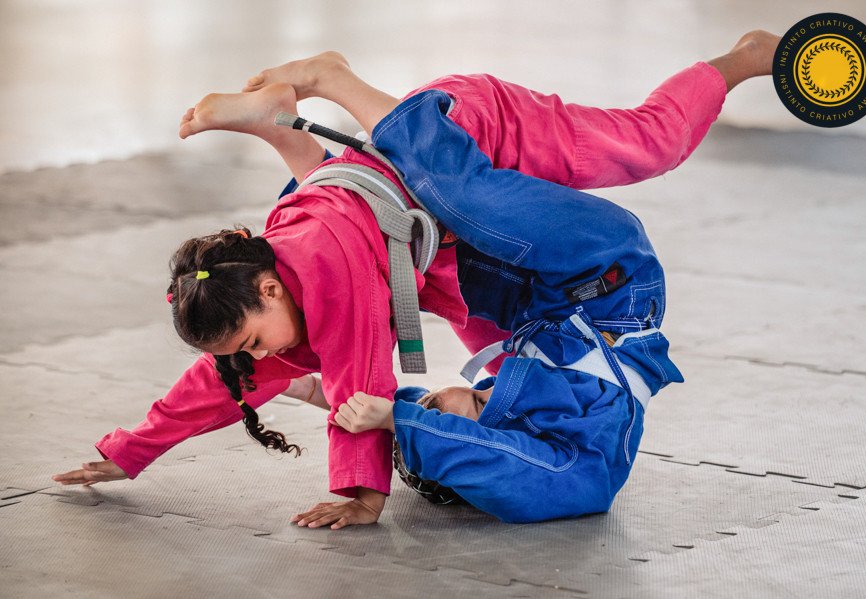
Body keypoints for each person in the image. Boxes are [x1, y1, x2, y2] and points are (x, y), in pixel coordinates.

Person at [52, 31, 780, 530]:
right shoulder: (538, 426)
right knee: (420, 268)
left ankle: (334, 83)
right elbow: (252, 375)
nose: (432, 393)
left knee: (612, 155)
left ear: (265, 290)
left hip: (482, 133)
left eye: (249, 337)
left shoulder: (325, 290)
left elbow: (359, 373)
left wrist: (366, 481)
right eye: (438, 404)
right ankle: (285, 132)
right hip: (579, 280)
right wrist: (131, 450)